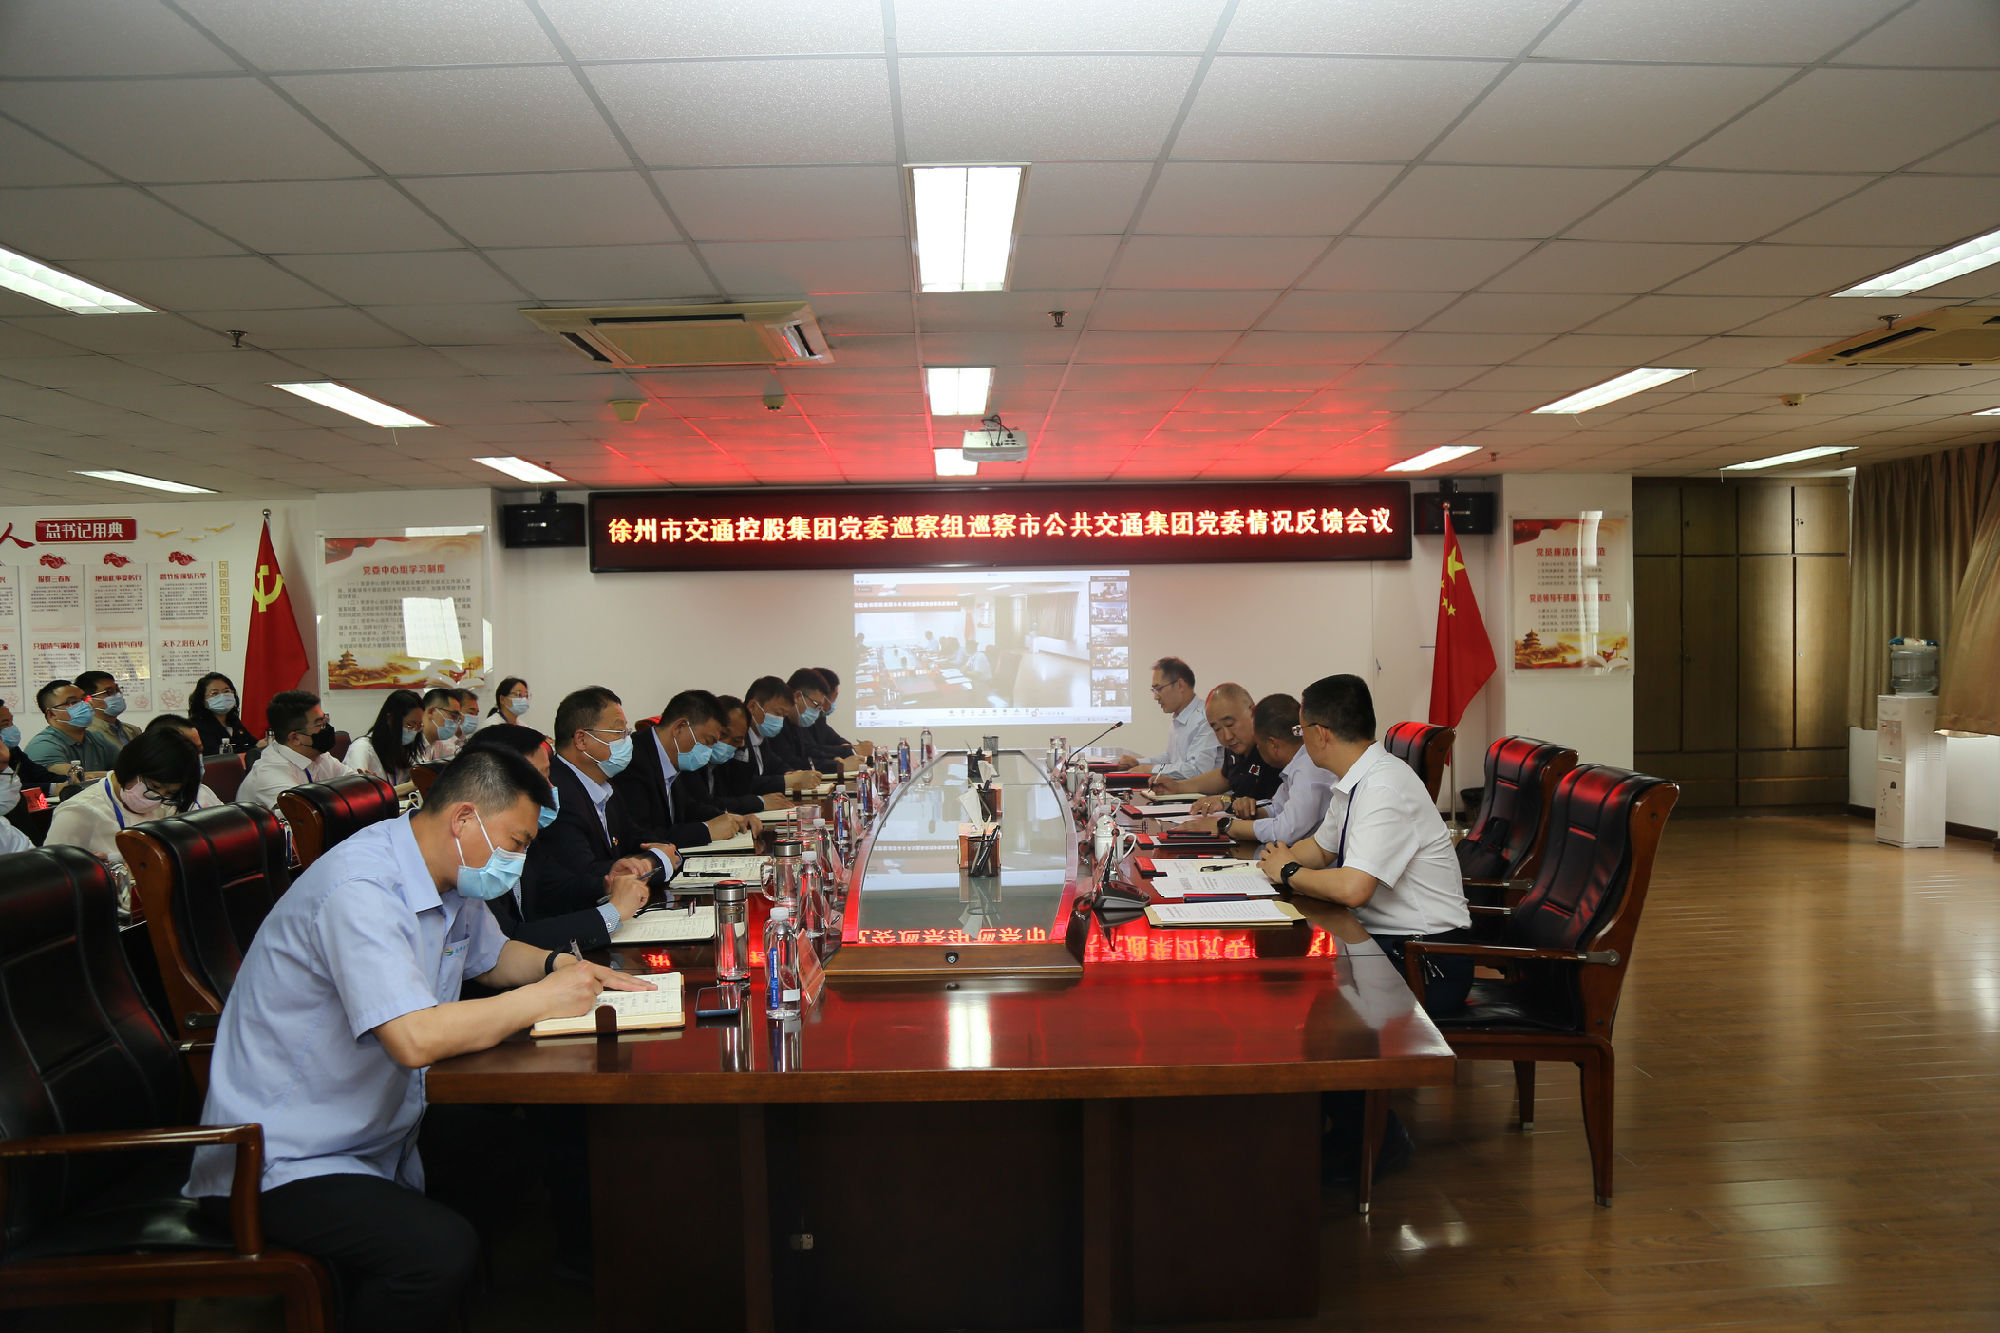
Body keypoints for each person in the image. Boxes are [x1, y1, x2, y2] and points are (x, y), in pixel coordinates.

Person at [185, 745, 651, 1330]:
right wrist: (542, 999)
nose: (519, 861)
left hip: (376, 1123)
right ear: (464, 819)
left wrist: (562, 966)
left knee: (519, 1152)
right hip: (281, 1155)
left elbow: (492, 957)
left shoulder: (447, 876)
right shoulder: (361, 888)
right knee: (435, 1254)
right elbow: (412, 1039)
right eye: (516, 843)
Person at [1256, 674, 1472, 1017]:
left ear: (1320, 733)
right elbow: (1321, 850)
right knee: (1297, 986)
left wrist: (1288, 871)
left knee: (1298, 995)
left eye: (1300, 730)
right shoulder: (1356, 779)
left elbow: (1353, 889)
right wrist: (1255, 872)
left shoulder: (1383, 787)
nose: (1301, 740)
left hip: (1425, 959)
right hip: (1382, 942)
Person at [460, 725, 651, 952]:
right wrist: (613, 912)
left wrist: (606, 883)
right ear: (497, 782)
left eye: (548, 775)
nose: (551, 788)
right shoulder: (469, 851)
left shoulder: (527, 839)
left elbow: (556, 887)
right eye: (541, 777)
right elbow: (507, 941)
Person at [520, 686, 678, 931]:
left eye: (626, 732)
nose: (627, 740)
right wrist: (654, 861)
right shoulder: (558, 793)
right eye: (618, 732)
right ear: (581, 739)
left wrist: (662, 851)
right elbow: (586, 873)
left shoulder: (604, 784)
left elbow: (637, 839)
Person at [45, 729, 205, 907]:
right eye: (154, 787)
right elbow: (52, 882)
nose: (158, 798)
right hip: (104, 909)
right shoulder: (78, 812)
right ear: (130, 768)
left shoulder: (168, 804)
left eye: (169, 793)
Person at [614, 689, 756, 852]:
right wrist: (706, 830)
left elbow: (687, 807)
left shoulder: (674, 755)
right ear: (680, 727)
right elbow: (641, 837)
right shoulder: (633, 761)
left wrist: (729, 818)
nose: (709, 751)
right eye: (707, 742)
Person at [1186, 694, 1335, 847]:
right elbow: (1277, 807)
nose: (1258, 749)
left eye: (1258, 744)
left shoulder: (1308, 771)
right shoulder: (1297, 765)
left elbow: (1285, 832)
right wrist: (1247, 809)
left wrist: (1225, 826)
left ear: (1273, 745)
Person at [1155, 683, 1283, 805]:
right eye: (1217, 729)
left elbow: (1278, 807)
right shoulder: (1236, 747)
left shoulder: (1273, 749)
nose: (1227, 736)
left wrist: (1226, 801)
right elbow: (1225, 777)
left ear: (1252, 713)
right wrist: (1178, 787)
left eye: (1230, 724)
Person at [239, 690, 350, 809]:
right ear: (295, 738)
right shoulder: (269, 774)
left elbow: (354, 782)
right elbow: (307, 812)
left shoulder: (319, 756)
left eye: (325, 720)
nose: (327, 728)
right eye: (320, 724)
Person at [1117, 657, 1221, 781]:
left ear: (1180, 685)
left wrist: (1150, 770)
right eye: (1154, 690)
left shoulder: (1205, 718)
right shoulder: (1180, 717)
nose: (1156, 697)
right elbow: (1171, 758)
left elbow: (1196, 770)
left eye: (1159, 689)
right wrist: (1138, 763)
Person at [720, 688, 812, 809]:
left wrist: (791, 774)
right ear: (752, 707)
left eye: (783, 716)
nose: (780, 721)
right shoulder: (736, 740)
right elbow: (741, 785)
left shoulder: (761, 738)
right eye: (777, 714)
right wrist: (786, 781)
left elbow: (777, 763)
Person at [751, 674, 847, 781]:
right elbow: (790, 760)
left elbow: (805, 752)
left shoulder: (796, 723)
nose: (780, 720)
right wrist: (789, 780)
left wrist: (835, 759)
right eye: (816, 705)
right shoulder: (759, 732)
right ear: (797, 697)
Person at [705, 694, 785, 815]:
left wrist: (741, 750)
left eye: (736, 740)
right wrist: (759, 802)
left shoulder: (727, 758)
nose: (726, 743)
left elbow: (740, 791)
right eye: (723, 734)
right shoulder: (694, 760)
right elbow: (706, 805)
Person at [25, 679, 124, 776]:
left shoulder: (95, 738)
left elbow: (125, 765)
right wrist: (115, 776)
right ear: (51, 713)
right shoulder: (43, 746)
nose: (85, 705)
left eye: (85, 699)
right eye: (74, 702)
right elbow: (74, 778)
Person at [1, 695, 68, 830]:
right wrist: (54, 788)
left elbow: (39, 774)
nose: (12, 727)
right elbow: (13, 788)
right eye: (5, 724)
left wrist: (70, 782)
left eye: (11, 721)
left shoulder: (13, 750)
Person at [343, 690, 425, 790]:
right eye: (410, 725)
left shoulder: (408, 749)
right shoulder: (361, 749)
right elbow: (356, 792)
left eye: (419, 725)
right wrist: (410, 786)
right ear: (390, 719)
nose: (415, 731)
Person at [806, 667, 871, 760]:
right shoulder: (805, 718)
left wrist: (852, 747)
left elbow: (833, 738)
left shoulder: (819, 718)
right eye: (835, 696)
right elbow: (811, 750)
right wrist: (849, 750)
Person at [190, 671, 260, 755]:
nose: (222, 696)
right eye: (215, 693)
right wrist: (254, 748)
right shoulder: (198, 726)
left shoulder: (234, 721)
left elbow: (252, 742)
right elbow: (215, 754)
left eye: (226, 691)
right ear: (203, 701)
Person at [75, 669, 143, 748]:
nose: (118, 694)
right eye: (110, 691)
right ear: (88, 700)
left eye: (117, 689)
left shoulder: (133, 730)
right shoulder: (85, 735)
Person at [419, 687, 465, 762]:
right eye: (453, 716)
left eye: (458, 719)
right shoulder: (406, 745)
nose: (456, 723)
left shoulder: (441, 745)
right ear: (431, 712)